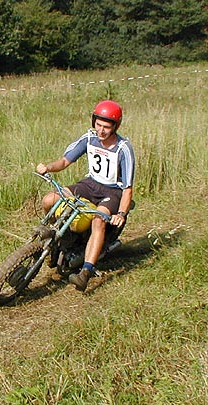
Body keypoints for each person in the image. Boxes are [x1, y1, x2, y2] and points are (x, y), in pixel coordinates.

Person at [35, 100, 135, 292]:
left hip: (112, 191)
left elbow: (128, 188)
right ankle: (56, 239)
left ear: (116, 126)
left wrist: (121, 214)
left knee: (98, 221)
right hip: (89, 184)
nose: (101, 130)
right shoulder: (89, 138)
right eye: (98, 124)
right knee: (50, 200)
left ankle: (85, 272)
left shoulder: (123, 148)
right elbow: (65, 161)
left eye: (106, 127)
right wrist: (48, 167)